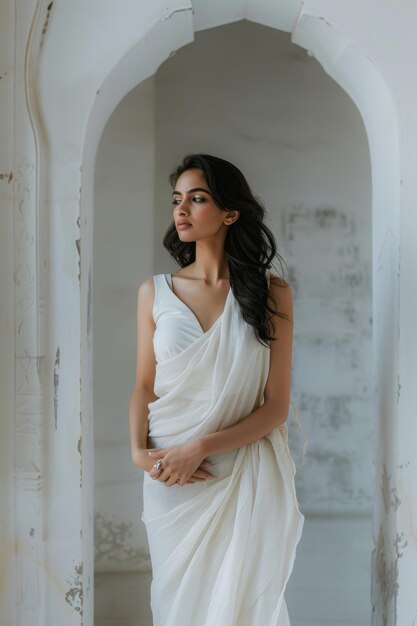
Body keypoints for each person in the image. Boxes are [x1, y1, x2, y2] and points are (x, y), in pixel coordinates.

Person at [128, 153, 305, 626]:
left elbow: (276, 406)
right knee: (178, 604)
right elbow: (144, 386)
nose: (181, 209)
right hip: (170, 474)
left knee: (240, 604)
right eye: (177, 199)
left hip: (240, 467)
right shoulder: (155, 292)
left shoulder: (271, 293)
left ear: (230, 213)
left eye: (197, 198)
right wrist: (139, 454)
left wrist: (200, 447)